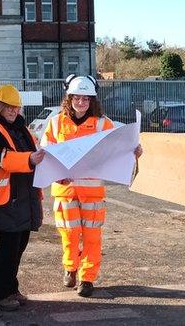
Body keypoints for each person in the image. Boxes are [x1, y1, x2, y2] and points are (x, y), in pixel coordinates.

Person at [41, 74, 113, 298]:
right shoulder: (55, 122)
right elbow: (46, 154)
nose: (81, 103)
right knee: (69, 234)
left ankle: (87, 278)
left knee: (92, 236)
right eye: (77, 98)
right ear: (69, 98)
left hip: (92, 193)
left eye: (86, 99)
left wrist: (134, 151)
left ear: (93, 101)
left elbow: (117, 150)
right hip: (65, 191)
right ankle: (70, 267)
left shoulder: (103, 123)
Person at [0, 85, 46, 311]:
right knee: (6, 249)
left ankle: (10, 288)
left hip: (23, 200)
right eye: (8, 106)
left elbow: (35, 151)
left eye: (16, 106)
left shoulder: (21, 129)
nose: (12, 110)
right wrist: (30, 160)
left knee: (18, 247)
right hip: (3, 201)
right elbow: (3, 159)